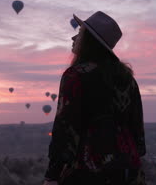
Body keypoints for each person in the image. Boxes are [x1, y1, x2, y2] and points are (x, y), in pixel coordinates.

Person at [43, 11, 146, 185]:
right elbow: (137, 130)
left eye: (80, 33)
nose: (73, 37)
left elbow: (65, 128)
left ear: (89, 40)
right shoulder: (128, 79)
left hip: (90, 168)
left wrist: (52, 175)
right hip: (128, 169)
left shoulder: (76, 75)